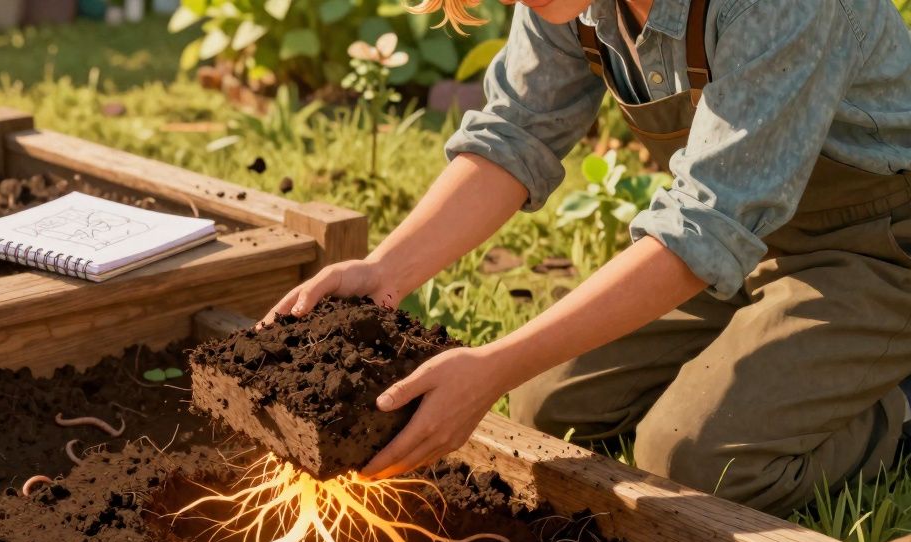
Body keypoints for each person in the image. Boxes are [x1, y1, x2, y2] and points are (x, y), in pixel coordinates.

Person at [263, 0, 911, 515]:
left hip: (879, 248)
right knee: (550, 405)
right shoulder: (571, 6)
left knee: (693, 458)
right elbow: (516, 134)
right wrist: (385, 270)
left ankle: (898, 406)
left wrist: (492, 366)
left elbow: (708, 224)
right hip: (751, 242)